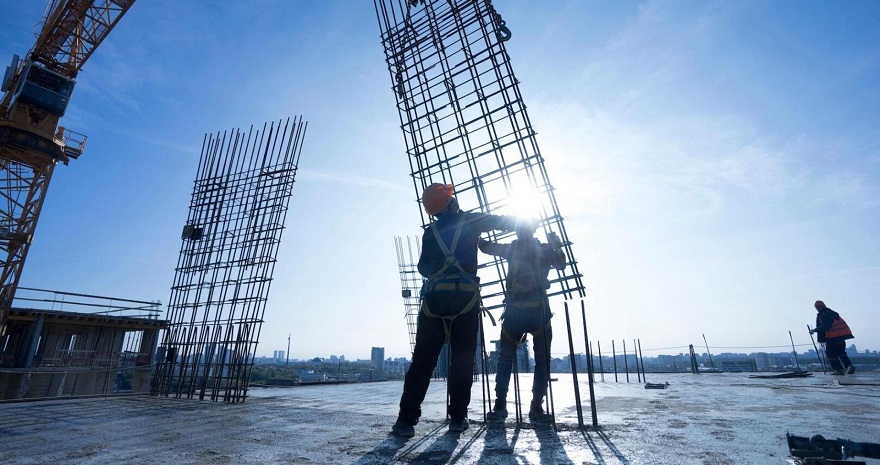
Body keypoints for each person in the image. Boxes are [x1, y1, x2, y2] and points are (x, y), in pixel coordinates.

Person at [391, 183, 519, 437]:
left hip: (434, 303)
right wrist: (523, 223)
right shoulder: (470, 221)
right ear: (450, 203)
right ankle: (458, 418)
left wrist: (442, 268)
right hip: (465, 301)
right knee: (461, 361)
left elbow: (423, 269)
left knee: (422, 362)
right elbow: (501, 221)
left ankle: (405, 421)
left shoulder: (430, 233)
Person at [479, 224, 566, 422]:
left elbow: (485, 247)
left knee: (505, 360)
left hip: (517, 313)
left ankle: (501, 405)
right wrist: (557, 247)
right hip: (537, 313)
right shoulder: (543, 249)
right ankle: (536, 407)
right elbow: (561, 264)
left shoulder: (512, 248)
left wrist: (476, 231)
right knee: (541, 361)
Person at [809, 300, 855, 375]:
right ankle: (849, 366)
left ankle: (838, 370)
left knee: (831, 354)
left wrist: (814, 330)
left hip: (832, 338)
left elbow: (826, 327)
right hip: (841, 337)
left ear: (818, 307)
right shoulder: (832, 313)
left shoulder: (823, 315)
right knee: (841, 353)